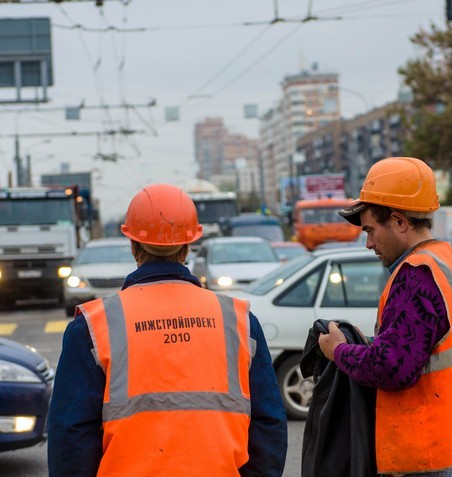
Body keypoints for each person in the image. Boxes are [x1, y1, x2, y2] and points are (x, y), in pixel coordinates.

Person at [47, 183, 288, 477]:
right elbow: (269, 424)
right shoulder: (238, 321)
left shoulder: (93, 326)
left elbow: (69, 435)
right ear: (187, 247)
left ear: (133, 246)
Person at [318, 157, 452, 477]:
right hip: (450, 444)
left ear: (400, 222)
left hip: (427, 454)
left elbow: (393, 368)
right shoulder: (445, 259)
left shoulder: (416, 276)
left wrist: (338, 350)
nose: (369, 243)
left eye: (371, 230)